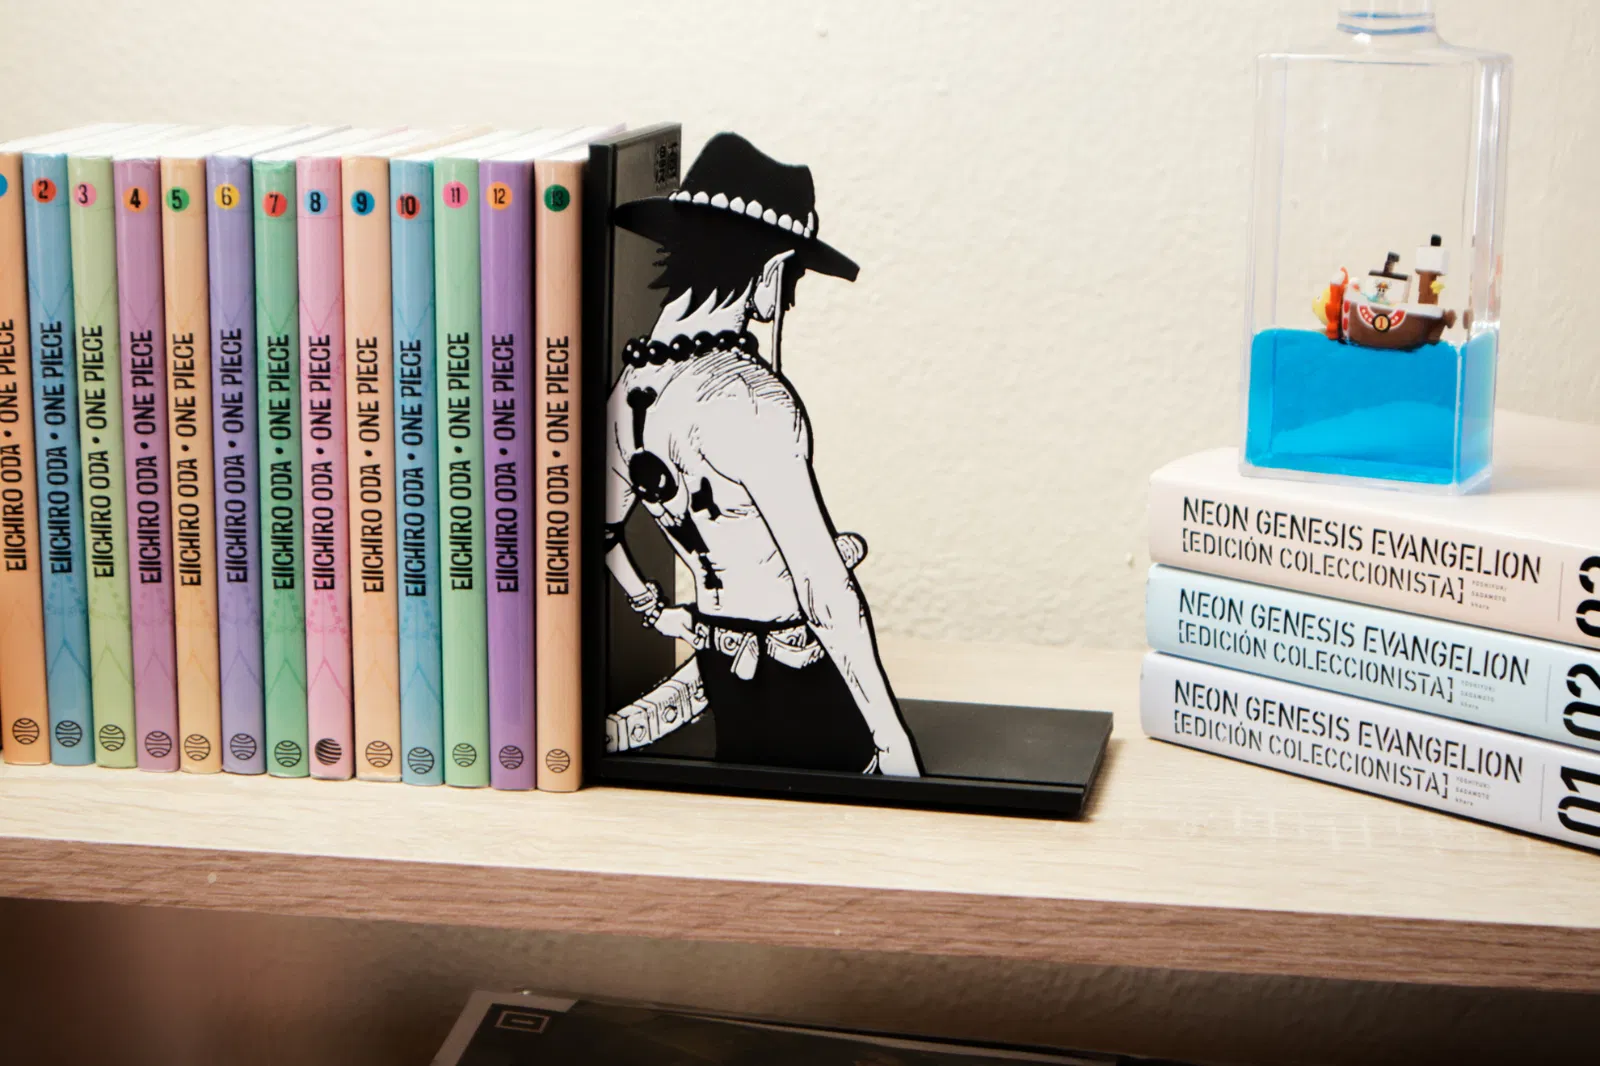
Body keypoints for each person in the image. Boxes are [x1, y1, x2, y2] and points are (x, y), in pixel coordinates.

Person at [603, 133, 922, 777]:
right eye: (793, 275)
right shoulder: (750, 401)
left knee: (753, 809)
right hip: (800, 670)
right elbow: (823, 587)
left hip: (721, 663)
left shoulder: (629, 393)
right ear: (774, 270)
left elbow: (600, 531)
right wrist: (893, 743)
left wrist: (655, 609)